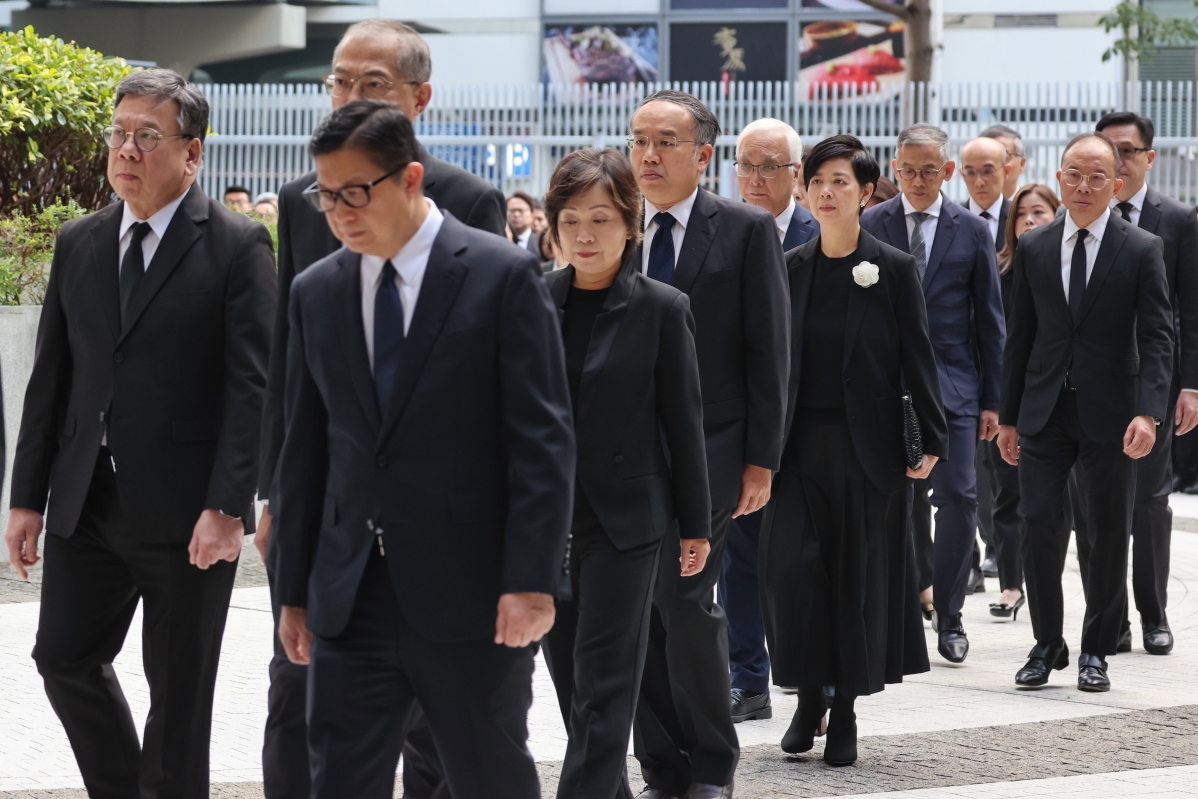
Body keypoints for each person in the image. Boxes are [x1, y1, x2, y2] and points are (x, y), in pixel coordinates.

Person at [273, 100, 574, 798]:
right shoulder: (316, 291)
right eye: (327, 196)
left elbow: (542, 441)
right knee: (338, 780)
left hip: (473, 594)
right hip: (350, 595)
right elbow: (305, 448)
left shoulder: (500, 275)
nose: (340, 213)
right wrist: (293, 591)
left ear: (410, 178)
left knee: (489, 778)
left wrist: (532, 580)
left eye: (355, 193)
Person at [4, 69, 276, 797]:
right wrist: (26, 497)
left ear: (192, 153)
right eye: (119, 133)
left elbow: (252, 386)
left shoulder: (237, 245)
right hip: (87, 499)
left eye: (147, 136)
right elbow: (51, 378)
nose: (126, 149)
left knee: (179, 695)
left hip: (188, 510)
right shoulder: (80, 241)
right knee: (63, 658)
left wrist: (228, 505)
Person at [255, 19, 508, 799]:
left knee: (433, 722)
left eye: (373, 84)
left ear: (419, 99)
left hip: (436, 517)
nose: (350, 96)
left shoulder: (468, 202)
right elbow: (294, 364)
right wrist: (276, 493)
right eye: (340, 81)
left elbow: (488, 379)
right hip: (334, 503)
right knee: (296, 693)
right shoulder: (303, 200)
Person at [761, 133, 946, 767]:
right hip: (796, 451)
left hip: (868, 453)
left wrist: (932, 438)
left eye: (839, 181)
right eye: (816, 181)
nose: (825, 192)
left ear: (865, 192)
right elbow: (770, 363)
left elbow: (918, 356)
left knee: (854, 582)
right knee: (796, 576)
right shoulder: (790, 266)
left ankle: (843, 710)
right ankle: (808, 694)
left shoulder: (891, 267)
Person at [628, 90, 789, 799]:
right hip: (624, 453)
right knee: (635, 612)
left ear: (702, 155)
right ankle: (661, 765)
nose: (648, 155)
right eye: (639, 140)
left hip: (713, 448)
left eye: (665, 141)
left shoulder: (745, 229)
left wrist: (762, 458)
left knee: (685, 600)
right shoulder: (612, 221)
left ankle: (712, 763)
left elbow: (769, 350)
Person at [540, 147, 712, 799]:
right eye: (572, 220)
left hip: (628, 524)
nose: (585, 235)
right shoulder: (531, 301)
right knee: (571, 686)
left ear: (631, 225)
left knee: (605, 684)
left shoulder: (662, 308)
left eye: (601, 219)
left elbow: (682, 422)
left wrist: (695, 523)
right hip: (546, 523)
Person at [998, 132, 1173, 692]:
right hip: (1044, 410)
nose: (1083, 185)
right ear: (1059, 177)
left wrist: (1148, 413)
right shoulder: (1035, 245)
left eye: (1097, 176)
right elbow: (1020, 338)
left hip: (1112, 414)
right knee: (1038, 524)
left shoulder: (1141, 247)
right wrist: (1008, 416)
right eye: (1074, 174)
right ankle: (1047, 643)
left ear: (1116, 184)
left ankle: (1096, 650)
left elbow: (1158, 337)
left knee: (1107, 533)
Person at [861, 123, 1005, 665]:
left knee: (960, 497)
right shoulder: (869, 222)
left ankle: (950, 612)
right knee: (891, 502)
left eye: (928, 171)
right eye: (907, 171)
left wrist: (993, 400)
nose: (917, 180)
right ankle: (897, 610)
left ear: (947, 171)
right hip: (885, 386)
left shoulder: (972, 230)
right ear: (894, 170)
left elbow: (989, 321)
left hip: (953, 387)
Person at [1070, 111, 1198, 656]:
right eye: (1108, 149)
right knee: (1093, 510)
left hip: (1152, 383)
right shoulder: (1079, 214)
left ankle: (1153, 613)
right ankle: (1109, 621)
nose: (1117, 160)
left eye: (1127, 150)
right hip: (1091, 388)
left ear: (1149, 157)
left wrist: (1190, 386)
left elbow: (1190, 312)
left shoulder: (1179, 220)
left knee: (1148, 501)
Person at [718, 117, 818, 727]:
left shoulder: (821, 232)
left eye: (769, 167)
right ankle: (747, 678)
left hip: (811, 423)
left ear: (795, 174)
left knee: (803, 560)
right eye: (746, 166)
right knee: (741, 557)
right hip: (744, 425)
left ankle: (809, 678)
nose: (755, 179)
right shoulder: (723, 232)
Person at [987, 183, 1060, 620]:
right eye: (1021, 214)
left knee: (1050, 505)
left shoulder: (1067, 267)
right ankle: (1011, 584)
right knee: (1007, 493)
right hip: (1008, 395)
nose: (1029, 221)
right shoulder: (1000, 272)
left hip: (1057, 397)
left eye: (1039, 212)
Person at [959, 136, 1012, 582]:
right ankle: (971, 559)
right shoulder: (952, 221)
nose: (979, 181)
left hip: (1010, 359)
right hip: (961, 364)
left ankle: (1001, 548)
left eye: (988, 170)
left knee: (1002, 466)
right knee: (969, 469)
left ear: (1007, 170)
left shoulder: (1025, 218)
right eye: (971, 172)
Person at [980, 124, 1026, 199]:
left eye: (1004, 156)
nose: (993, 165)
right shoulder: (966, 206)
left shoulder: (1032, 205)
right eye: (986, 157)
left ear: (1022, 164)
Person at [508, 190, 542, 255]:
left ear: (532, 214)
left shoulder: (540, 245)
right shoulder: (499, 241)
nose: (516, 215)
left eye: (521, 210)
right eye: (512, 210)